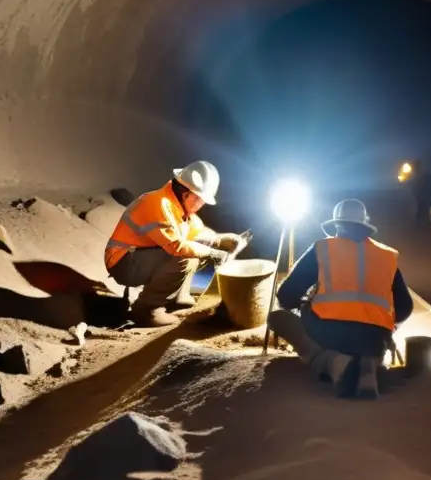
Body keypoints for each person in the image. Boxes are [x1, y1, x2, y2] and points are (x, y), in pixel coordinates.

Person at [267, 198, 414, 400]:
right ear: (365, 226)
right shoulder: (387, 256)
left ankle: (333, 363)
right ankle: (368, 366)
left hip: (329, 335)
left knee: (277, 318)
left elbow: (285, 295)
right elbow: (405, 308)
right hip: (374, 341)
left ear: (336, 225)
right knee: (368, 342)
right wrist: (384, 326)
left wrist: (306, 304)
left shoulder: (323, 249)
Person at [105, 161, 250, 327]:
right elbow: (176, 247)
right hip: (124, 262)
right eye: (200, 200)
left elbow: (197, 233)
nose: (201, 205)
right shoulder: (158, 204)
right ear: (188, 194)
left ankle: (177, 298)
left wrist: (220, 239)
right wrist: (213, 254)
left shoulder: (177, 207)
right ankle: (146, 310)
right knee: (185, 256)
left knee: (194, 250)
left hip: (138, 256)